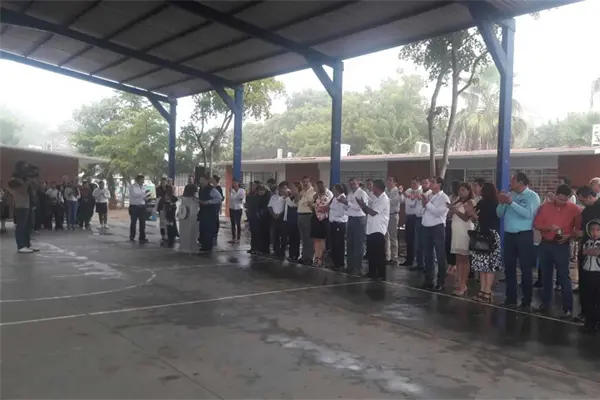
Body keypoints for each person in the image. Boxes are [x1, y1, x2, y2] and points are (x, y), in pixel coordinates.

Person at [533, 184, 581, 318]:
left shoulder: (575, 209)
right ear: (555, 194)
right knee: (546, 276)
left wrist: (569, 235)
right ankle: (546, 304)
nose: (562, 202)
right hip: (545, 243)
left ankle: (568, 308)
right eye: (560, 199)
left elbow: (579, 230)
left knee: (564, 277)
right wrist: (548, 227)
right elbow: (536, 224)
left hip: (562, 245)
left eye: (565, 200)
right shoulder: (545, 207)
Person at [497, 172, 540, 311]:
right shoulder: (511, 194)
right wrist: (502, 203)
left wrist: (511, 203)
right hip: (509, 235)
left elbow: (529, 214)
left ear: (521, 182)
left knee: (525, 268)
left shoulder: (532, 196)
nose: (510, 183)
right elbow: (499, 213)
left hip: (524, 235)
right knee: (509, 267)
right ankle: (510, 298)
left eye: (513, 181)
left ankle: (526, 301)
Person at [468, 182, 502, 303]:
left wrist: (474, 215)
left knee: (488, 265)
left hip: (489, 236)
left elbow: (483, 218)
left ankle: (487, 291)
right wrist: (472, 214)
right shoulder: (483, 202)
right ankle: (482, 290)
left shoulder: (493, 204)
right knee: (482, 265)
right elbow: (475, 218)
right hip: (483, 234)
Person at [576, 186, 600, 332]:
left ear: (590, 196)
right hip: (586, 255)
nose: (582, 203)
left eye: (583, 200)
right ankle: (588, 319)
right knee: (586, 290)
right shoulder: (586, 211)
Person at [420, 177, 450, 291]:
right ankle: (428, 280)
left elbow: (438, 212)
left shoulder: (444, 198)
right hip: (426, 226)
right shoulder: (429, 195)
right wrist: (424, 203)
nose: (431, 184)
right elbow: (424, 210)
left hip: (437, 227)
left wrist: (427, 204)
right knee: (428, 255)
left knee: (440, 255)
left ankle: (441, 281)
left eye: (433, 182)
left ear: (439, 184)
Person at [356, 179, 389, 280]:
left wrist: (363, 205)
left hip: (378, 229)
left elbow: (373, 212)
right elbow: (367, 211)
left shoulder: (384, 199)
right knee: (371, 253)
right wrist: (362, 205)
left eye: (373, 187)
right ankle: (372, 272)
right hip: (371, 229)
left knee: (379, 254)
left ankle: (381, 274)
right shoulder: (375, 198)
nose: (372, 189)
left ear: (377, 188)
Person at [447, 182, 475, 296]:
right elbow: (450, 216)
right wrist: (451, 210)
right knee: (458, 258)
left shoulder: (470, 202)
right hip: (456, 232)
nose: (461, 192)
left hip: (464, 231)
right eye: (460, 190)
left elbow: (466, 217)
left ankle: (463, 284)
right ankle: (459, 282)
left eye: (463, 190)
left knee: (464, 259)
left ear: (469, 191)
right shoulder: (458, 201)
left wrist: (455, 211)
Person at [338, 178, 369, 275]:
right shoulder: (350, 194)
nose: (352, 185)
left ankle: (357, 267)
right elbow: (347, 207)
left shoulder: (362, 193)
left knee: (358, 244)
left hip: (359, 220)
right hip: (350, 219)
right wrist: (343, 203)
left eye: (354, 183)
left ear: (358, 183)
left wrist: (347, 203)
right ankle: (350, 266)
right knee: (350, 243)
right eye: (351, 184)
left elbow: (359, 207)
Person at [7, 173, 37, 253]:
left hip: (27, 206)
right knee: (21, 226)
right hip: (21, 207)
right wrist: (28, 180)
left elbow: (32, 188)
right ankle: (21, 246)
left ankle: (27, 244)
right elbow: (23, 189)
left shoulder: (24, 185)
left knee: (28, 226)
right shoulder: (16, 185)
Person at [198, 174, 223, 254]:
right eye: (200, 180)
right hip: (203, 212)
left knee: (208, 230)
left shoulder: (212, 189)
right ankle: (204, 245)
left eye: (203, 180)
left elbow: (219, 198)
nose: (201, 182)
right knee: (202, 229)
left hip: (210, 213)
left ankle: (208, 247)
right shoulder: (201, 189)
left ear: (207, 181)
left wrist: (209, 202)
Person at [327, 184, 348, 271]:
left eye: (334, 189)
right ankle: (335, 263)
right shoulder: (335, 198)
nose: (333, 191)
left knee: (338, 244)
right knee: (334, 244)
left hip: (339, 223)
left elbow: (340, 213)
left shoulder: (342, 198)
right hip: (333, 223)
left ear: (338, 190)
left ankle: (339, 263)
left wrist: (333, 211)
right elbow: (330, 207)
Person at [402, 177, 422, 268]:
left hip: (415, 217)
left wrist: (410, 196)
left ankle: (416, 261)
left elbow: (412, 204)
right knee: (408, 239)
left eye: (414, 183)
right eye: (411, 183)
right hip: (408, 216)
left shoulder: (420, 191)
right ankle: (409, 259)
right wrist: (403, 193)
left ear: (418, 183)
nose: (412, 185)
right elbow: (403, 200)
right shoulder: (409, 190)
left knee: (415, 240)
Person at [310, 181, 330, 267]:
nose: (314, 188)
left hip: (321, 220)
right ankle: (316, 257)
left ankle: (320, 259)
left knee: (320, 240)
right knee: (316, 240)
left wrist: (316, 208)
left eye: (315, 186)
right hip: (315, 219)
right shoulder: (316, 196)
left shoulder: (325, 197)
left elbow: (325, 209)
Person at [297, 176, 315, 264]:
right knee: (303, 238)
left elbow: (311, 204)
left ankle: (309, 257)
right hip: (300, 215)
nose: (305, 183)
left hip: (308, 215)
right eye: (303, 182)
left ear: (310, 182)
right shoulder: (302, 192)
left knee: (308, 238)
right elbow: (298, 203)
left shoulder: (313, 192)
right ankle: (304, 256)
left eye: (307, 182)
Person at [385, 176, 401, 266]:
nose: (388, 182)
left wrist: (384, 198)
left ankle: (394, 257)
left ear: (395, 183)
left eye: (390, 181)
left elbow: (392, 202)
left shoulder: (397, 191)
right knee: (386, 236)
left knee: (393, 236)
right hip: (385, 215)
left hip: (393, 215)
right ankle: (387, 256)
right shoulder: (385, 190)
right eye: (387, 180)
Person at [128, 174, 150, 243]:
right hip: (134, 207)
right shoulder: (132, 186)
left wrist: (147, 196)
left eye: (143, 180)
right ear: (138, 180)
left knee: (143, 223)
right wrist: (144, 194)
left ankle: (142, 237)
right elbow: (134, 195)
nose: (143, 181)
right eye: (142, 179)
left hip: (142, 206)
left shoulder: (144, 187)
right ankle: (132, 236)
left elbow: (144, 197)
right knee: (133, 222)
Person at [446, 181, 461, 276]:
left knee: (454, 244)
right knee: (448, 244)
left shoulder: (460, 199)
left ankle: (454, 264)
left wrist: (452, 209)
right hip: (448, 222)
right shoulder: (450, 197)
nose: (451, 189)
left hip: (456, 222)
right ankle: (450, 263)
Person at [268, 182, 287, 258]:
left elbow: (285, 208)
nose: (283, 190)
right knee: (275, 235)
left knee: (283, 236)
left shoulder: (286, 198)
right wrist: (273, 214)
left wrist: (280, 214)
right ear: (279, 188)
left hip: (282, 218)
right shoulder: (273, 197)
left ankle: (282, 251)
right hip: (274, 218)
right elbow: (269, 206)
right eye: (282, 188)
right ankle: (276, 251)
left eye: (285, 188)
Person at [285, 182, 301, 261]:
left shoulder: (299, 196)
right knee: (291, 238)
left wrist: (287, 197)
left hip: (295, 220)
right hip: (290, 220)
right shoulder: (292, 196)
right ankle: (291, 254)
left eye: (293, 188)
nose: (291, 189)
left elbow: (294, 205)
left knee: (295, 238)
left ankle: (295, 254)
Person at [229, 178, 245, 244]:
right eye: (233, 183)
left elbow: (243, 200)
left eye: (235, 182)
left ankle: (238, 238)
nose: (234, 184)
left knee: (238, 223)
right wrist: (235, 196)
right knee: (232, 223)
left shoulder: (242, 190)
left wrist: (240, 199)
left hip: (238, 208)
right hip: (232, 208)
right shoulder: (231, 190)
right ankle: (233, 238)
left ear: (238, 183)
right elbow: (231, 198)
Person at [212, 175, 224, 245]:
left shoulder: (218, 188)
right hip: (212, 206)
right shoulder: (211, 187)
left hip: (216, 206)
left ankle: (215, 236)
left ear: (215, 180)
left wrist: (220, 208)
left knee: (215, 221)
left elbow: (221, 198)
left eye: (212, 179)